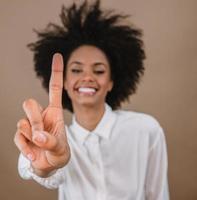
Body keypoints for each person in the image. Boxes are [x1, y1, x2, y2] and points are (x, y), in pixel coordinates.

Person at [14, 0, 169, 199]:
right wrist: (43, 164)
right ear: (65, 83)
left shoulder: (146, 129)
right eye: (76, 70)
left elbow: (158, 195)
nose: (87, 77)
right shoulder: (57, 139)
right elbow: (37, 168)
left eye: (99, 70)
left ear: (112, 81)